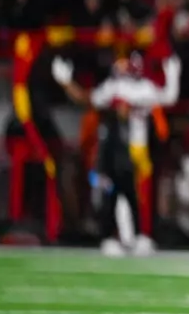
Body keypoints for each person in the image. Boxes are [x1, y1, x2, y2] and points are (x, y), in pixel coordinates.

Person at [52, 51, 179, 256]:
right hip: (123, 147)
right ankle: (126, 237)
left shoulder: (124, 87)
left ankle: (128, 237)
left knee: (126, 193)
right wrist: (173, 74)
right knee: (120, 192)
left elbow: (87, 98)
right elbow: (169, 97)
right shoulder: (137, 87)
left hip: (130, 147)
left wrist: (66, 82)